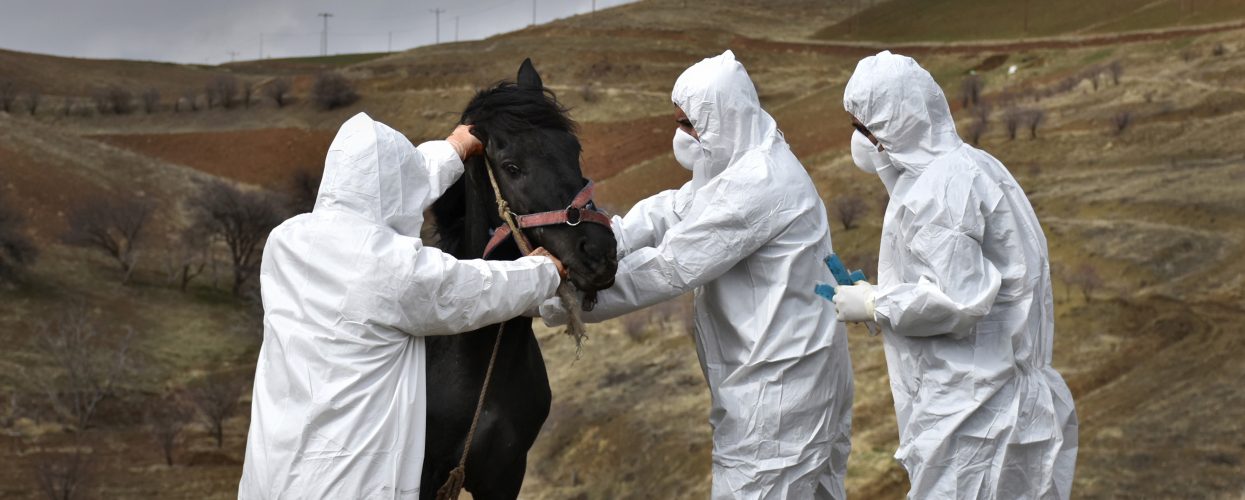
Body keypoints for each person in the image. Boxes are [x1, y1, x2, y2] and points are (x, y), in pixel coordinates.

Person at [542, 50, 853, 499]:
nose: (681, 135)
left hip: (779, 398)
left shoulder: (761, 183)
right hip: (785, 381)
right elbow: (674, 208)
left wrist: (560, 298)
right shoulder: (740, 157)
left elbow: (672, 266)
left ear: (723, 118)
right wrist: (610, 238)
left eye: (689, 124)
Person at [239, 113, 566, 499]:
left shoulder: (286, 241)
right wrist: (544, 271)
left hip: (269, 480)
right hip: (352, 487)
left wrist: (454, 148)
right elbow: (473, 291)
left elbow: (389, 191)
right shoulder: (393, 268)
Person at [833, 51, 1079, 499]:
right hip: (998, 400)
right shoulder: (973, 166)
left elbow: (957, 301)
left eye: (863, 129)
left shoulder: (938, 192)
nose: (859, 141)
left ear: (895, 127)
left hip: (973, 417)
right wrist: (881, 295)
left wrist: (875, 303)